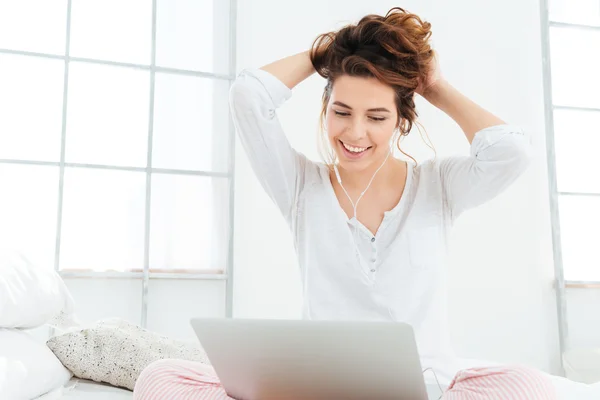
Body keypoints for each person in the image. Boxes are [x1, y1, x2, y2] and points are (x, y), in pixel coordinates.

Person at [133, 8, 600, 399]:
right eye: (341, 112)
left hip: (426, 387)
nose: (354, 134)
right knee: (159, 377)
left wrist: (432, 85)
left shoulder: (438, 186)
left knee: (529, 385)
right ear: (326, 108)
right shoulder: (299, 185)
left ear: (401, 121)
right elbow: (248, 95)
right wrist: (328, 53)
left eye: (377, 117)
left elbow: (512, 151)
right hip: (318, 387)